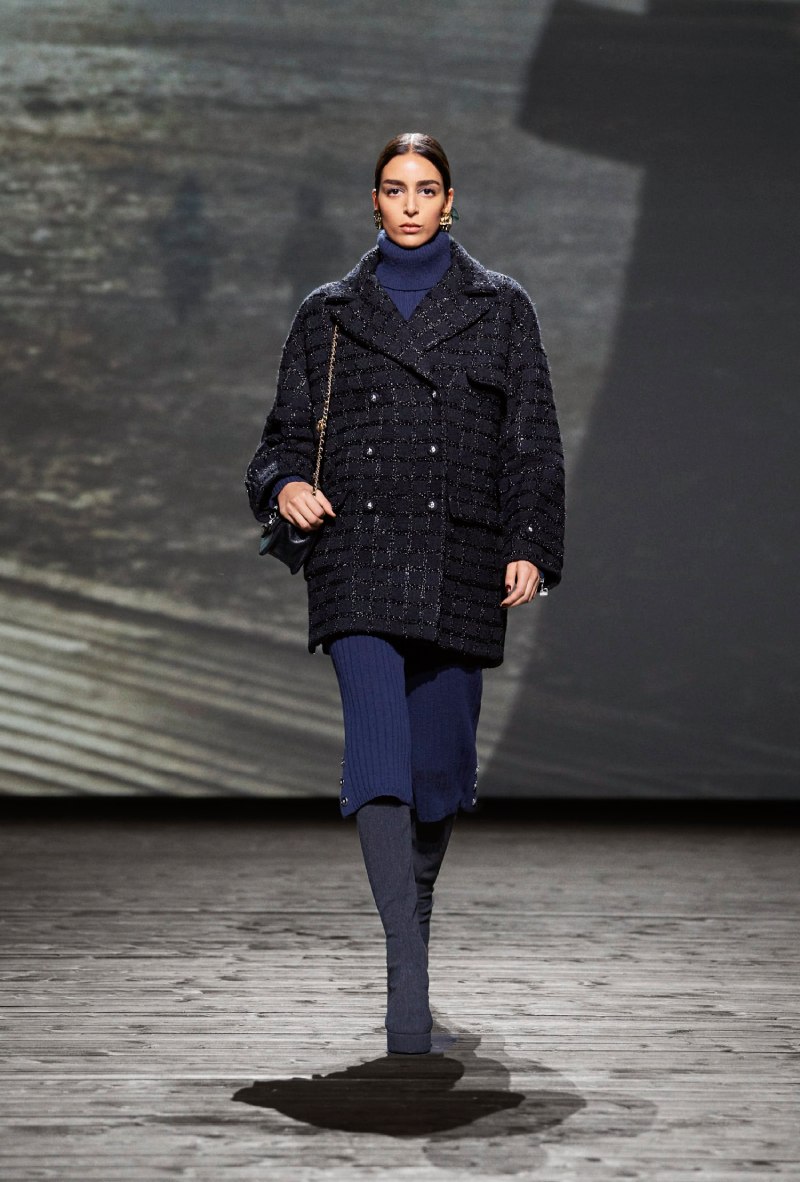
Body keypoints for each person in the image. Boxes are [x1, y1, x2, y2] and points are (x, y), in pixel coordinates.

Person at [245, 132, 565, 1056]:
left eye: (427, 189)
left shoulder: (501, 307)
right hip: (359, 561)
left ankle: (412, 925)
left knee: (437, 777)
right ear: (375, 201)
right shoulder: (329, 313)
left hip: (462, 561)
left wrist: (531, 545)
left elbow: (531, 442)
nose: (412, 204)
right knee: (380, 761)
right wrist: (285, 485)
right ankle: (406, 978)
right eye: (395, 189)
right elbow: (280, 440)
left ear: (450, 201)